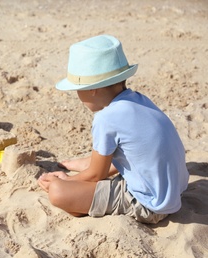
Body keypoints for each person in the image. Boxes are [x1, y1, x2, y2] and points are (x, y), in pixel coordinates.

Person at [38, 34, 189, 224]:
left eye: (77, 89)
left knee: (58, 193)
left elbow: (96, 175)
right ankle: (84, 173)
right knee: (86, 174)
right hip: (174, 189)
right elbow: (135, 154)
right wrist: (83, 165)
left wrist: (66, 181)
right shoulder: (139, 100)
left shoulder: (106, 118)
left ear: (92, 89)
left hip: (151, 204)